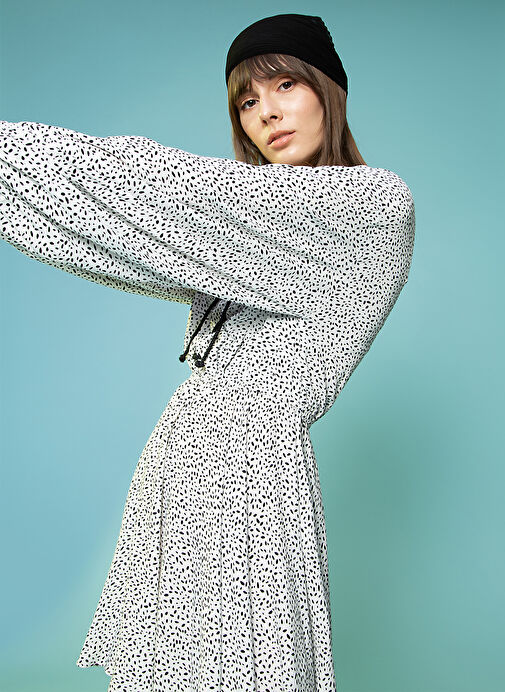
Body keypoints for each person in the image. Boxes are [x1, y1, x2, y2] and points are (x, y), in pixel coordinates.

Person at [0, 12, 415, 692]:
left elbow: (162, 187)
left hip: (247, 474)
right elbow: (112, 238)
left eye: (285, 85)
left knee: (241, 670)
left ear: (328, 92)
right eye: (246, 102)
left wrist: (10, 150)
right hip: (188, 467)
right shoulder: (255, 237)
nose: (266, 113)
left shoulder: (369, 204)